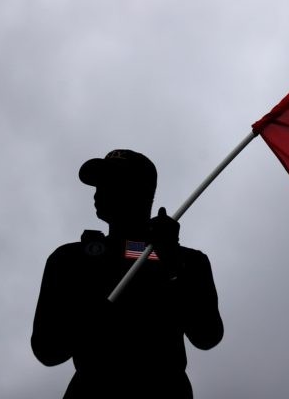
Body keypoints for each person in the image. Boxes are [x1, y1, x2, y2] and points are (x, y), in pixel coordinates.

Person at [31, 149, 224, 398]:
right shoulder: (70, 258)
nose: (98, 191)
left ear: (142, 191)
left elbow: (207, 336)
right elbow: (47, 350)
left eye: (111, 182)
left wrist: (174, 268)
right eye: (98, 183)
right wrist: (91, 312)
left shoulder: (188, 261)